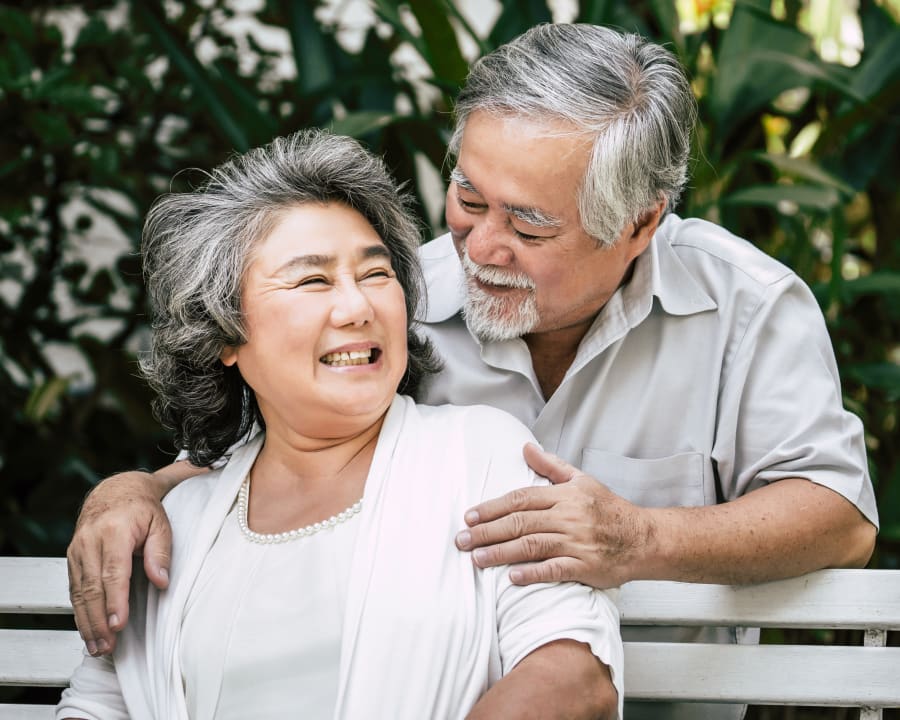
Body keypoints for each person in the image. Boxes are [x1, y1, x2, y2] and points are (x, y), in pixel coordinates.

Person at [66, 23, 878, 719]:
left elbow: (841, 517)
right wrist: (136, 488)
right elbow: (274, 448)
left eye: (528, 221)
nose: (481, 245)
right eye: (468, 194)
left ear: (639, 223)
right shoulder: (393, 299)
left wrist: (638, 538)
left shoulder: (746, 304)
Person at [57, 129, 622, 720]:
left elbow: (573, 677)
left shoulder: (481, 458)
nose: (358, 308)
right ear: (225, 333)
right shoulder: (178, 525)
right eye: (312, 280)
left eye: (377, 275)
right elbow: (99, 706)